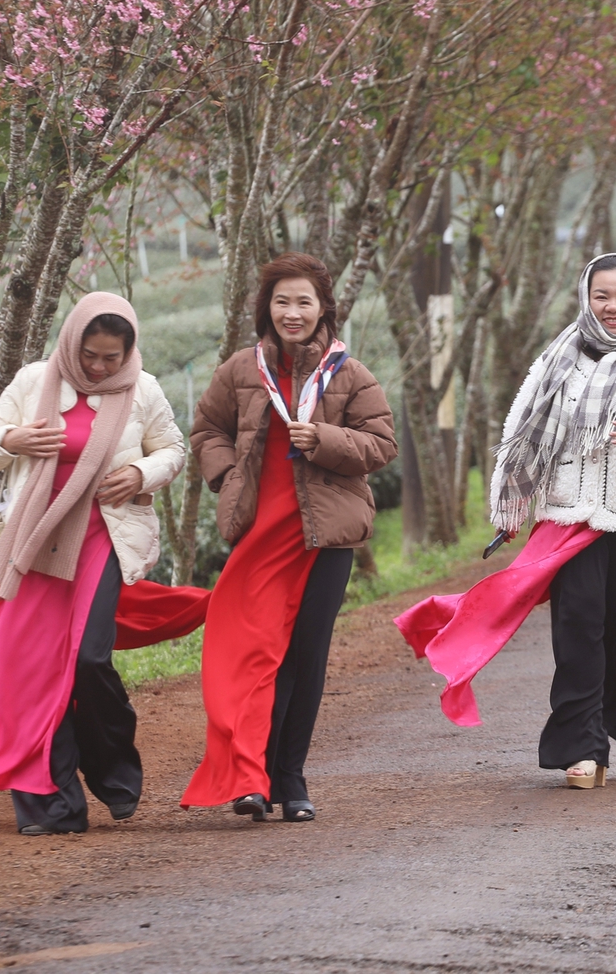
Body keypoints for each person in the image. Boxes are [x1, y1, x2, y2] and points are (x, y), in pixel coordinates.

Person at [394, 253, 616, 790]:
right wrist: (510, 503)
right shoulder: (558, 357)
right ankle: (581, 746)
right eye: (602, 296)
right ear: (586, 298)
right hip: (567, 518)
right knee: (577, 625)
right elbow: (521, 429)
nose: (613, 307)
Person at [0, 293, 188, 835]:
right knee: (31, 672)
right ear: (71, 340)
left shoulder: (142, 389)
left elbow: (173, 449)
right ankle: (54, 805)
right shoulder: (34, 380)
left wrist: (141, 475)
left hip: (101, 536)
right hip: (35, 540)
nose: (99, 367)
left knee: (88, 659)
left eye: (111, 358)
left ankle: (111, 767)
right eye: (90, 354)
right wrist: (14, 439)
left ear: (129, 350)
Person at [186, 252, 396, 822]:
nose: (292, 312)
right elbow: (207, 430)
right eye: (282, 301)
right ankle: (249, 778)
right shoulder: (240, 370)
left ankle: (291, 778)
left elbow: (381, 445)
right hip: (260, 537)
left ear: (324, 306)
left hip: (324, 540)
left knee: (306, 657)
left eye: (304, 301)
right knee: (257, 658)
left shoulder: (349, 374)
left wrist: (324, 438)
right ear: (266, 307)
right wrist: (229, 477)